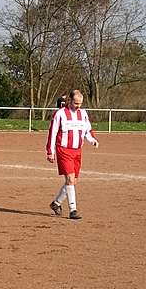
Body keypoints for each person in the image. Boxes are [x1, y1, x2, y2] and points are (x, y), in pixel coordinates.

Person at [46, 89, 99, 220]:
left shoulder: (83, 113)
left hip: (77, 151)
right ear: (69, 100)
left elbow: (87, 130)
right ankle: (73, 210)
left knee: (73, 181)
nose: (78, 106)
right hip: (63, 150)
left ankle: (56, 203)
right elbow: (52, 133)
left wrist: (92, 140)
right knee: (69, 179)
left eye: (80, 104)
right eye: (76, 103)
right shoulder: (59, 114)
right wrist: (50, 151)